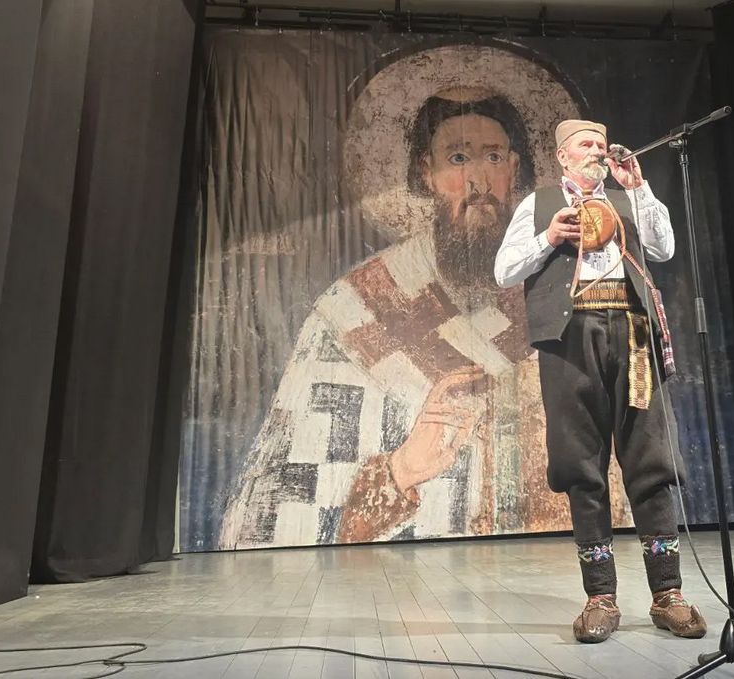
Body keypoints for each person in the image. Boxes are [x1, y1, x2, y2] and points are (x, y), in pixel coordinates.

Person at [218, 86, 633, 549]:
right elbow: (266, 512)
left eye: (493, 157)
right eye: (457, 159)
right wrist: (401, 471)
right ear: (427, 173)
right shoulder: (358, 307)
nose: (478, 182)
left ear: (514, 169)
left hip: (549, 565)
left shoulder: (558, 287)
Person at [494, 119, 707, 643]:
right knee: (580, 464)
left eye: (601, 145)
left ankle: (668, 594)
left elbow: (664, 248)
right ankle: (600, 598)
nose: (596, 152)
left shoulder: (628, 198)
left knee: (650, 459)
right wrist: (549, 237)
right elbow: (504, 271)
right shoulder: (539, 204)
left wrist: (640, 188)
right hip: (571, 336)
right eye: (585, 145)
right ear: (562, 156)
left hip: (632, 332)